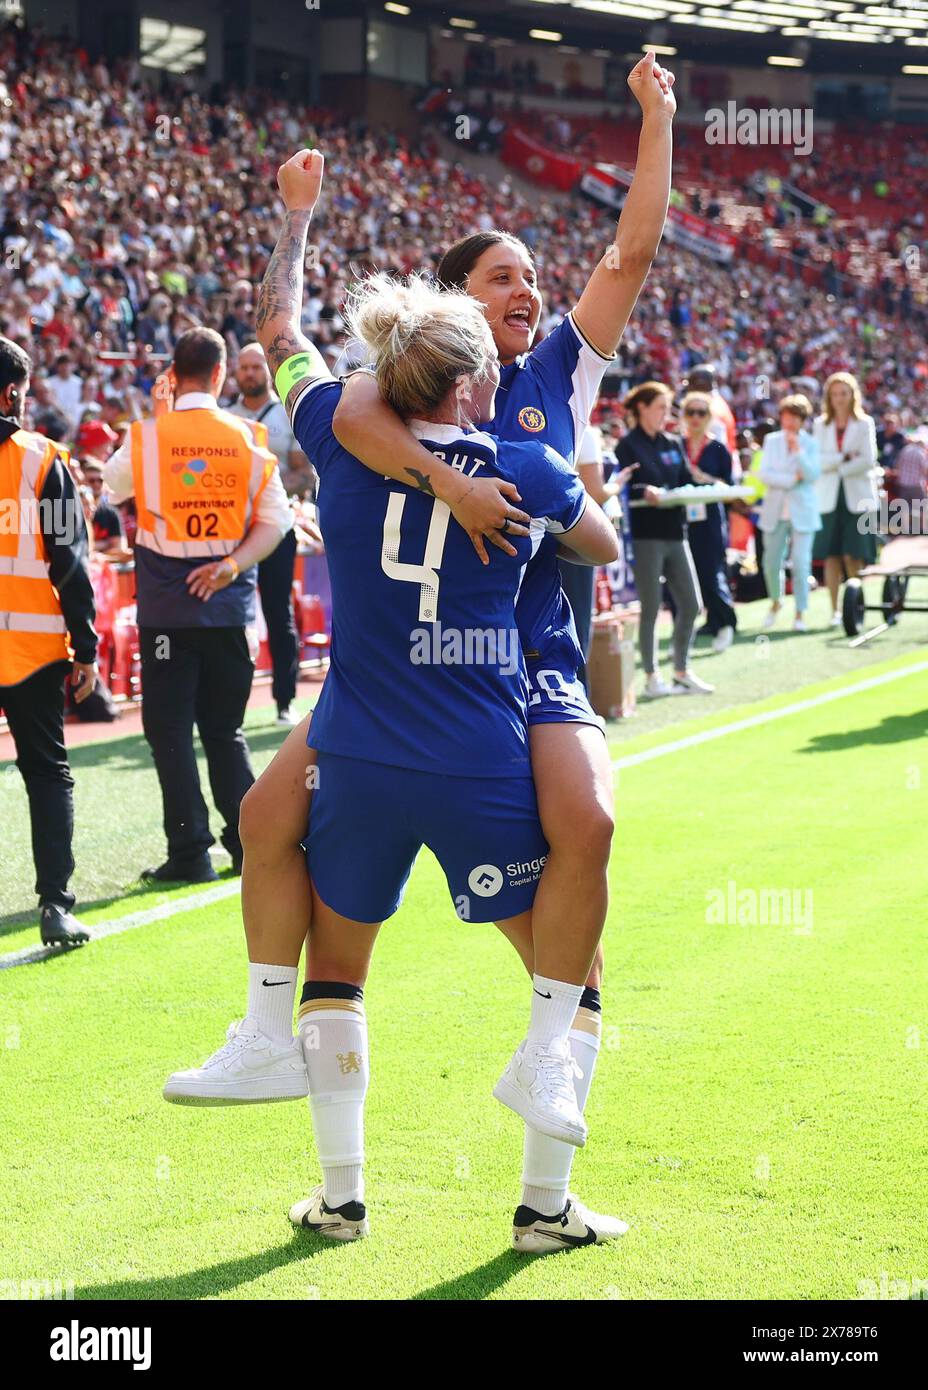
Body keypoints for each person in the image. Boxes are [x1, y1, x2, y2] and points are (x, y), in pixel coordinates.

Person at [167, 47, 676, 1228]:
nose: (531, 293)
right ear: (456, 314)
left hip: (508, 670)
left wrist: (657, 126)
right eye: (504, 277)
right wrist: (461, 485)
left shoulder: (504, 384)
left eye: (535, 278)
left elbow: (629, 253)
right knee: (267, 818)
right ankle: (331, 1148)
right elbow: (350, 392)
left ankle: (506, 1133)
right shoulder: (440, 420)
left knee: (583, 824)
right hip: (459, 687)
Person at [102, 328, 290, 883]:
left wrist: (159, 417)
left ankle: (190, 853)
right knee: (224, 730)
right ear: (220, 374)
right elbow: (276, 523)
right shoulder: (249, 436)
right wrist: (231, 567)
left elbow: (113, 486)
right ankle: (246, 845)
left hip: (167, 609)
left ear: (172, 375)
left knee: (170, 733)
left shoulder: (146, 437)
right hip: (228, 604)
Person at [0, 336, 97, 947]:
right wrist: (85, 648)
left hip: (30, 647)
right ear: (14, 392)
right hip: (31, 652)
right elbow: (70, 561)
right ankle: (55, 905)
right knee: (46, 774)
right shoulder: (42, 459)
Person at [228, 342, 310, 726]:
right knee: (229, 616)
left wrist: (266, 489)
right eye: (243, 368)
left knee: (279, 615)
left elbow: (302, 473)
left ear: (268, 371)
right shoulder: (224, 417)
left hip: (276, 527)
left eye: (255, 367)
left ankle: (283, 701)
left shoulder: (286, 415)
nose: (249, 374)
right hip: (233, 530)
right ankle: (228, 701)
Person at [618, 381, 713, 697]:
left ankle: (682, 670)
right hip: (647, 535)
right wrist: (642, 491)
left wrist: (712, 487)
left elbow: (685, 481)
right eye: (660, 406)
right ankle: (651, 676)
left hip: (676, 531)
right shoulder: (627, 445)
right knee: (651, 606)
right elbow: (622, 487)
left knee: (691, 602)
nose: (665, 414)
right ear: (642, 408)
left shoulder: (672, 443)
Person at [812, 372, 879, 627]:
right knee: (831, 555)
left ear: (853, 395)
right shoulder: (821, 425)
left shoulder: (864, 423)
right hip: (829, 497)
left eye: (844, 393)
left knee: (853, 555)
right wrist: (843, 458)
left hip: (857, 496)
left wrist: (837, 465)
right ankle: (834, 611)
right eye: (835, 393)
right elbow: (817, 460)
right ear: (829, 396)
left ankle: (855, 604)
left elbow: (867, 460)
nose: (839, 399)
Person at [680, 389, 737, 652]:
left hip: (711, 517)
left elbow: (730, 487)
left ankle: (726, 620)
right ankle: (711, 621)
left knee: (713, 570)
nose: (695, 418)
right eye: (690, 412)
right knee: (691, 572)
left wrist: (706, 479)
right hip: (682, 517)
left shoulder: (717, 448)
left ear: (709, 417)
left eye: (701, 413)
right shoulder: (677, 445)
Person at [758, 394, 821, 632]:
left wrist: (798, 453)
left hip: (802, 511)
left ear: (802, 420)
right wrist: (791, 479)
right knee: (771, 563)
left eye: (795, 418)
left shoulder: (810, 444)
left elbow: (813, 475)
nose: (790, 422)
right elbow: (765, 475)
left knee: (802, 564)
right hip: (775, 511)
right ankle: (776, 602)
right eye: (787, 417)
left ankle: (800, 613)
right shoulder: (771, 441)